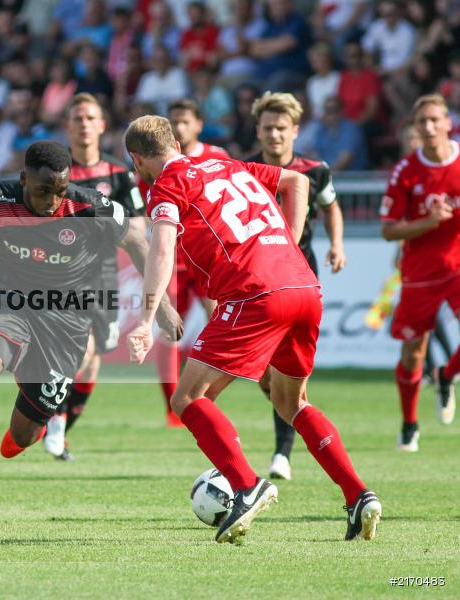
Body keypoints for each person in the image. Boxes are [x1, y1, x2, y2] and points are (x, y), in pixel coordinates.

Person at [0, 140, 180, 523]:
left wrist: (160, 306)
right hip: (11, 304)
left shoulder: (89, 205)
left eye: (60, 190)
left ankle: (27, 431)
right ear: (24, 179)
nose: (53, 200)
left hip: (68, 323)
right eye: (44, 190)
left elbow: (138, 244)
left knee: (24, 436)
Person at [125, 115, 380, 543]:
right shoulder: (229, 165)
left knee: (188, 397)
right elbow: (298, 183)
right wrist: (288, 243)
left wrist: (147, 318)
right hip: (302, 285)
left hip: (254, 294)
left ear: (137, 160)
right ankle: (358, 495)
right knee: (291, 401)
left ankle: (246, 483)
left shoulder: (166, 186)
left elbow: (162, 249)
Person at [40, 93, 147, 461]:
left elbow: (137, 224)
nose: (84, 124)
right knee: (80, 348)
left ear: (102, 126)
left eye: (90, 118)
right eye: (77, 118)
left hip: (103, 273)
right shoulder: (54, 173)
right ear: (68, 126)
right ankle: (53, 421)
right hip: (60, 272)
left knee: (95, 355)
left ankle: (60, 428)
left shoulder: (119, 175)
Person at [246, 91, 346, 480]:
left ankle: (282, 453)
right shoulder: (244, 170)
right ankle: (299, 430)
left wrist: (337, 244)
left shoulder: (314, 170)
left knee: (288, 373)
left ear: (295, 130)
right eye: (267, 128)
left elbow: (331, 207)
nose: (274, 135)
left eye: (281, 128)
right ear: (258, 130)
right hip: (255, 282)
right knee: (266, 376)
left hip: (300, 281)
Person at [381, 94, 460, 453]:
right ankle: (409, 423)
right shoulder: (406, 172)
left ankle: (445, 374)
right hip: (420, 271)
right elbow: (389, 229)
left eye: (434, 120)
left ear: (447, 123)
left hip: (457, 265)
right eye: (421, 122)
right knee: (413, 351)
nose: (428, 127)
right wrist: (429, 222)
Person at [152, 99, 228, 427]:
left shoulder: (219, 158)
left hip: (209, 262)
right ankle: (173, 408)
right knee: (169, 330)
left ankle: (203, 396)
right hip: (174, 262)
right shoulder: (159, 163)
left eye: (185, 121)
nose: (179, 127)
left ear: (198, 124)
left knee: (220, 325)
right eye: (174, 122)